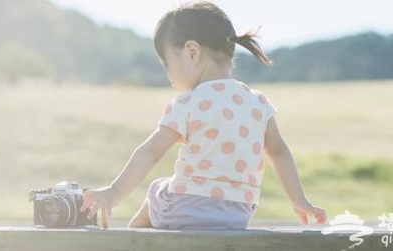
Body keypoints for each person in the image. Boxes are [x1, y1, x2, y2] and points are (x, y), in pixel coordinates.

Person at [80, 1, 327, 230]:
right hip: (238, 214)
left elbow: (150, 152)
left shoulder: (189, 103)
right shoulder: (258, 103)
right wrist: (299, 200)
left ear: (191, 52)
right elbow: (279, 151)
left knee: (155, 194)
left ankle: (133, 243)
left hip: (186, 206)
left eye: (167, 64)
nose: (168, 75)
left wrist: (114, 192)